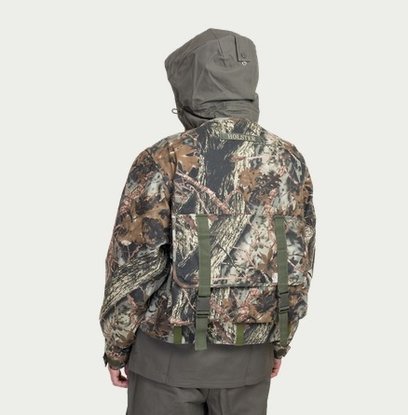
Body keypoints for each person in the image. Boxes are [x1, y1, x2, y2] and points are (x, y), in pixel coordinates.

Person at [99, 27, 316, 415]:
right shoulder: (289, 159)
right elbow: (301, 257)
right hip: (251, 360)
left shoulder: (164, 157)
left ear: (188, 89)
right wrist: (278, 342)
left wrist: (116, 346)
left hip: (166, 362)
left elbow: (133, 264)